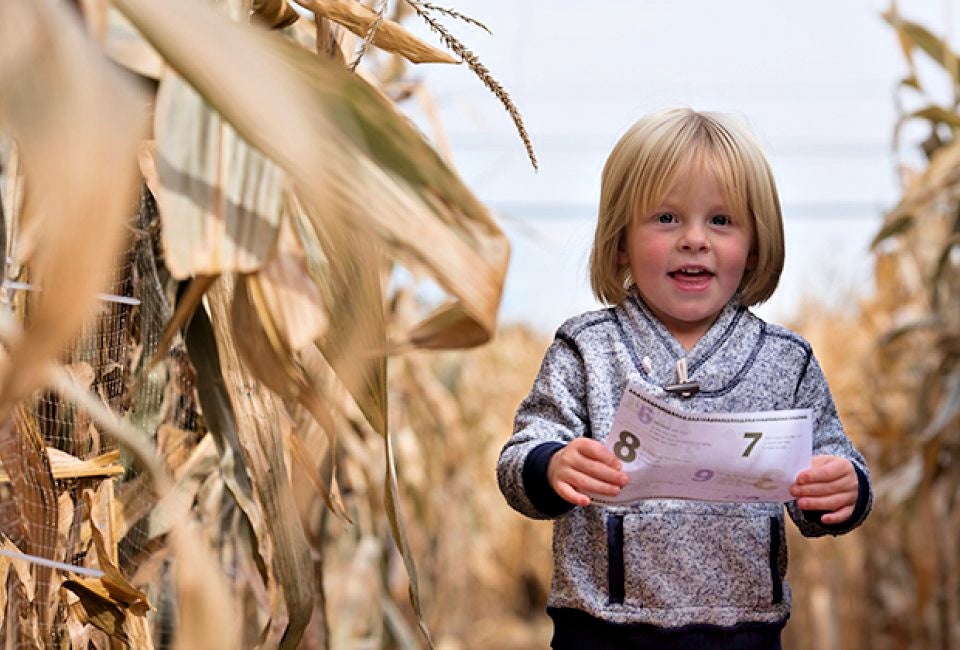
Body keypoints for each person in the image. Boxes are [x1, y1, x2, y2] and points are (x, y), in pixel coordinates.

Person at [496, 107, 872, 650]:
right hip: (603, 634)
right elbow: (518, 460)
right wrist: (551, 465)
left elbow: (828, 476)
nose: (695, 239)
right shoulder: (588, 349)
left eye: (721, 221)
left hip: (744, 635)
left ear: (755, 246)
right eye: (667, 218)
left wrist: (844, 488)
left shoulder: (786, 362)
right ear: (621, 241)